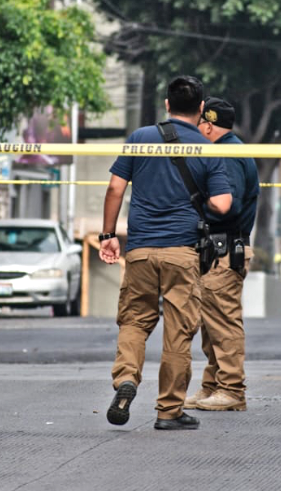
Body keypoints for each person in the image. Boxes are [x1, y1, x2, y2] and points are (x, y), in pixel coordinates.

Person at [99, 76, 232, 430]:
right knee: (179, 331)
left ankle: (126, 378)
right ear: (202, 108)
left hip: (141, 249)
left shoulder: (140, 138)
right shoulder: (207, 148)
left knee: (134, 321)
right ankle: (169, 411)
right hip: (182, 253)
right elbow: (222, 203)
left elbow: (115, 187)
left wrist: (109, 235)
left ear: (167, 104)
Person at [185, 97, 259, 413]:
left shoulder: (225, 154)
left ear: (209, 125)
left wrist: (194, 207)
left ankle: (231, 389)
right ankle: (213, 385)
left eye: (199, 123)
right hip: (219, 249)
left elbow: (229, 206)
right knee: (211, 323)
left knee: (223, 322)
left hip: (225, 249)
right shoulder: (229, 149)